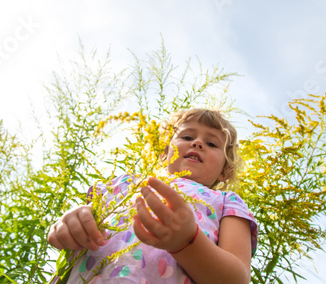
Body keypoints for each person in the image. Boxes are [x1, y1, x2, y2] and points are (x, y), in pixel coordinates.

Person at [48, 109, 258, 284]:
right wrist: (71, 219)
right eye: (187, 137)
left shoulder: (227, 202)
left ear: (225, 170)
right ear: (165, 152)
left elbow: (236, 278)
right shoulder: (127, 183)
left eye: (212, 144)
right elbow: (87, 216)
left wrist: (187, 242)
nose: (197, 143)